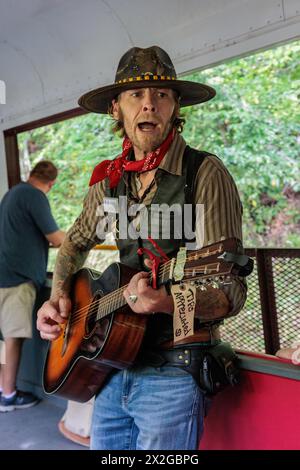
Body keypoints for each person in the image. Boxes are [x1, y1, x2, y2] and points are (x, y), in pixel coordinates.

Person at [37, 46, 247, 450]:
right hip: (113, 368)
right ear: (117, 108)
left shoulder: (204, 174)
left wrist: (167, 304)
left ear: (174, 106)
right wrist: (59, 298)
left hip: (174, 370)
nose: (149, 103)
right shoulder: (110, 182)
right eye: (136, 95)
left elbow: (230, 291)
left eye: (161, 94)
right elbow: (73, 246)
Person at [0, 161, 65, 412]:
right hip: (17, 280)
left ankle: (3, 388)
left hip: (4, 275)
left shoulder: (13, 193)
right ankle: (8, 395)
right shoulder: (35, 196)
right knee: (13, 338)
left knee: (4, 340)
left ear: (31, 174)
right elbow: (56, 238)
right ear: (51, 184)